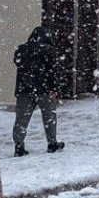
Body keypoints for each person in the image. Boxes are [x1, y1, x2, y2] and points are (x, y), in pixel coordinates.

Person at [12, 26, 63, 157]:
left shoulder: (21, 50)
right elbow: (52, 71)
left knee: (21, 119)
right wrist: (54, 88)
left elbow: (18, 63)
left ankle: (19, 146)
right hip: (44, 90)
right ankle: (52, 144)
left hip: (24, 90)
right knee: (49, 118)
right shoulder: (48, 51)